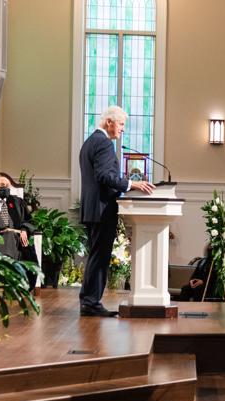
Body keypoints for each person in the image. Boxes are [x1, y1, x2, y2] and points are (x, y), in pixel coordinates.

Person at [79, 105, 154, 317]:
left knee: (96, 256)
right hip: (102, 209)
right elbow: (104, 176)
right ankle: (91, 303)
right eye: (121, 124)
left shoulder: (90, 141)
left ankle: (88, 300)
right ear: (109, 122)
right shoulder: (103, 143)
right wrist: (132, 184)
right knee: (99, 257)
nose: (122, 129)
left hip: (93, 208)